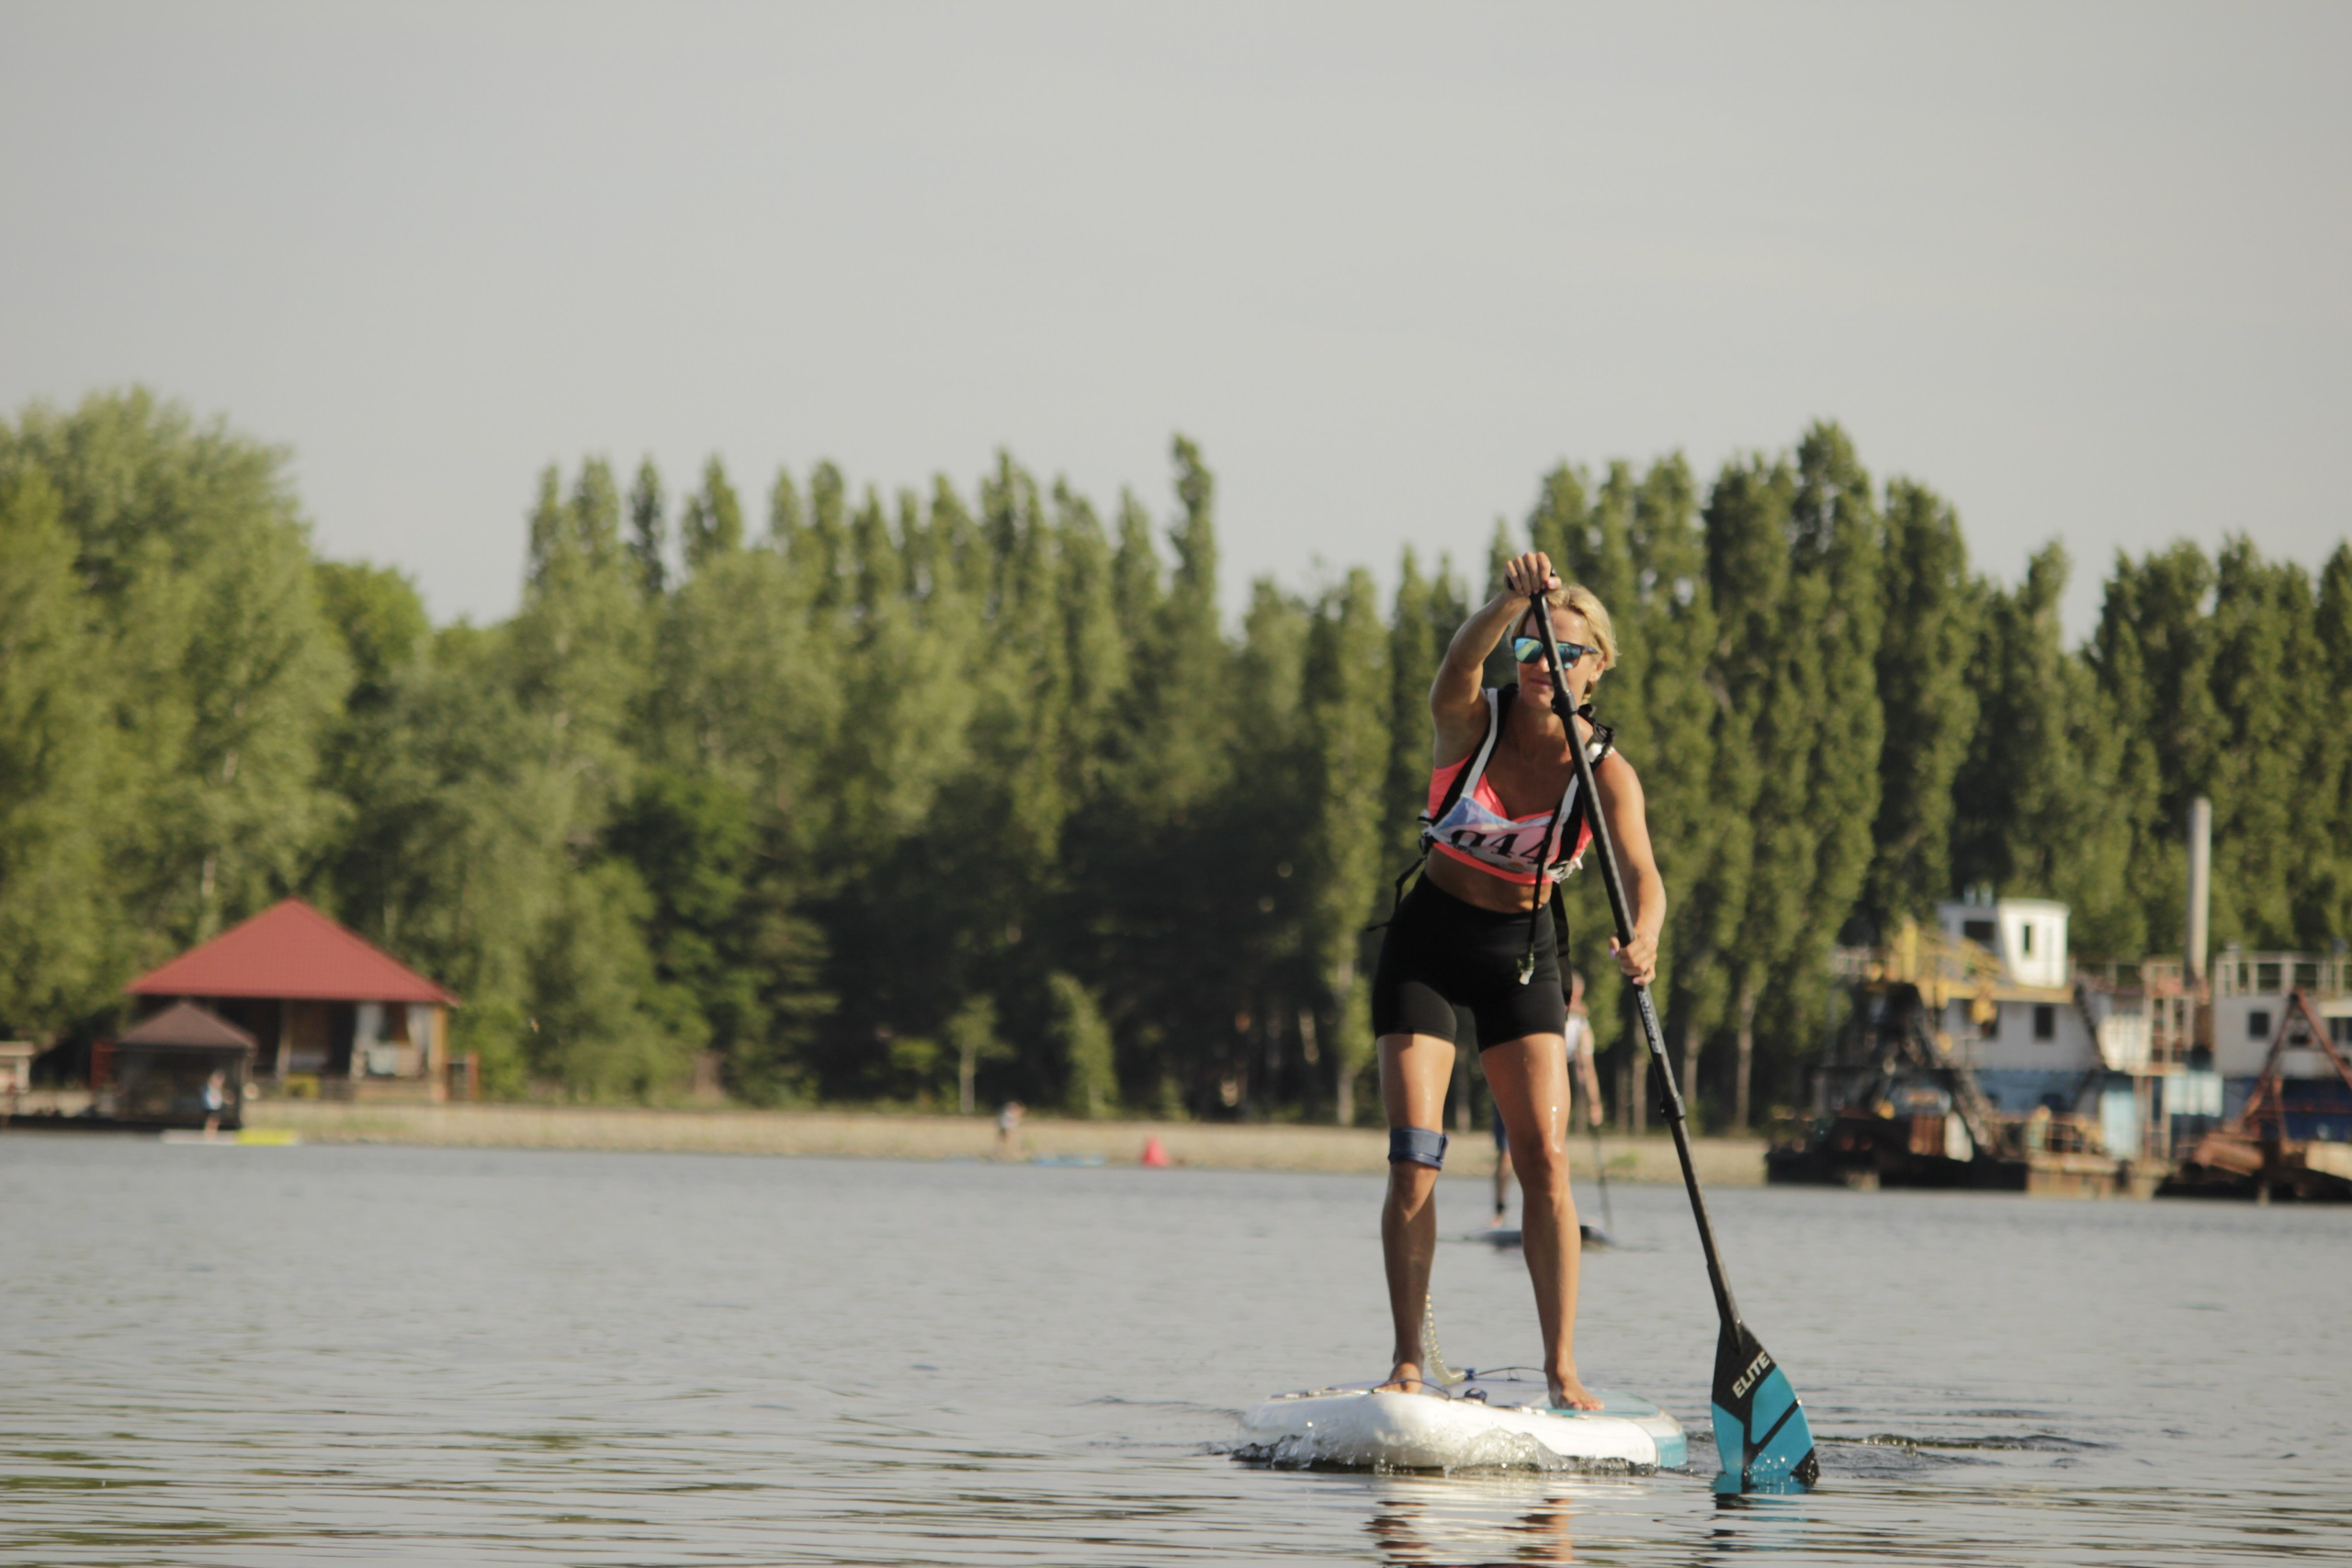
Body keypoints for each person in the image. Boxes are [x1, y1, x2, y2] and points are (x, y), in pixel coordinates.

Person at [1372, 552, 1665, 1412]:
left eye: (1565, 653)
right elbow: (1459, 665)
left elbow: (1645, 875)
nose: (1544, 665)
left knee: (1545, 1159)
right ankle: (1409, 1362)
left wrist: (1643, 937)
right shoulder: (1471, 719)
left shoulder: (1605, 770)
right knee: (1415, 1159)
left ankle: (1561, 1369)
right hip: (1427, 945)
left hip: (1524, 957)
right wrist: (1507, 601)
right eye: (1531, 649)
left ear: (1598, 666)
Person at [1493, 971, 1606, 1228]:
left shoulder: (1580, 1026)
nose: (1572, 1002)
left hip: (1548, 1086)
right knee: (1506, 1153)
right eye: (1569, 996)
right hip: (1513, 1079)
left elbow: (1585, 1068)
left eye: (1576, 997)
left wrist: (1594, 1104)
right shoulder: (1539, 1007)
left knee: (1550, 1150)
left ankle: (1551, 1212)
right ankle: (1499, 1213)